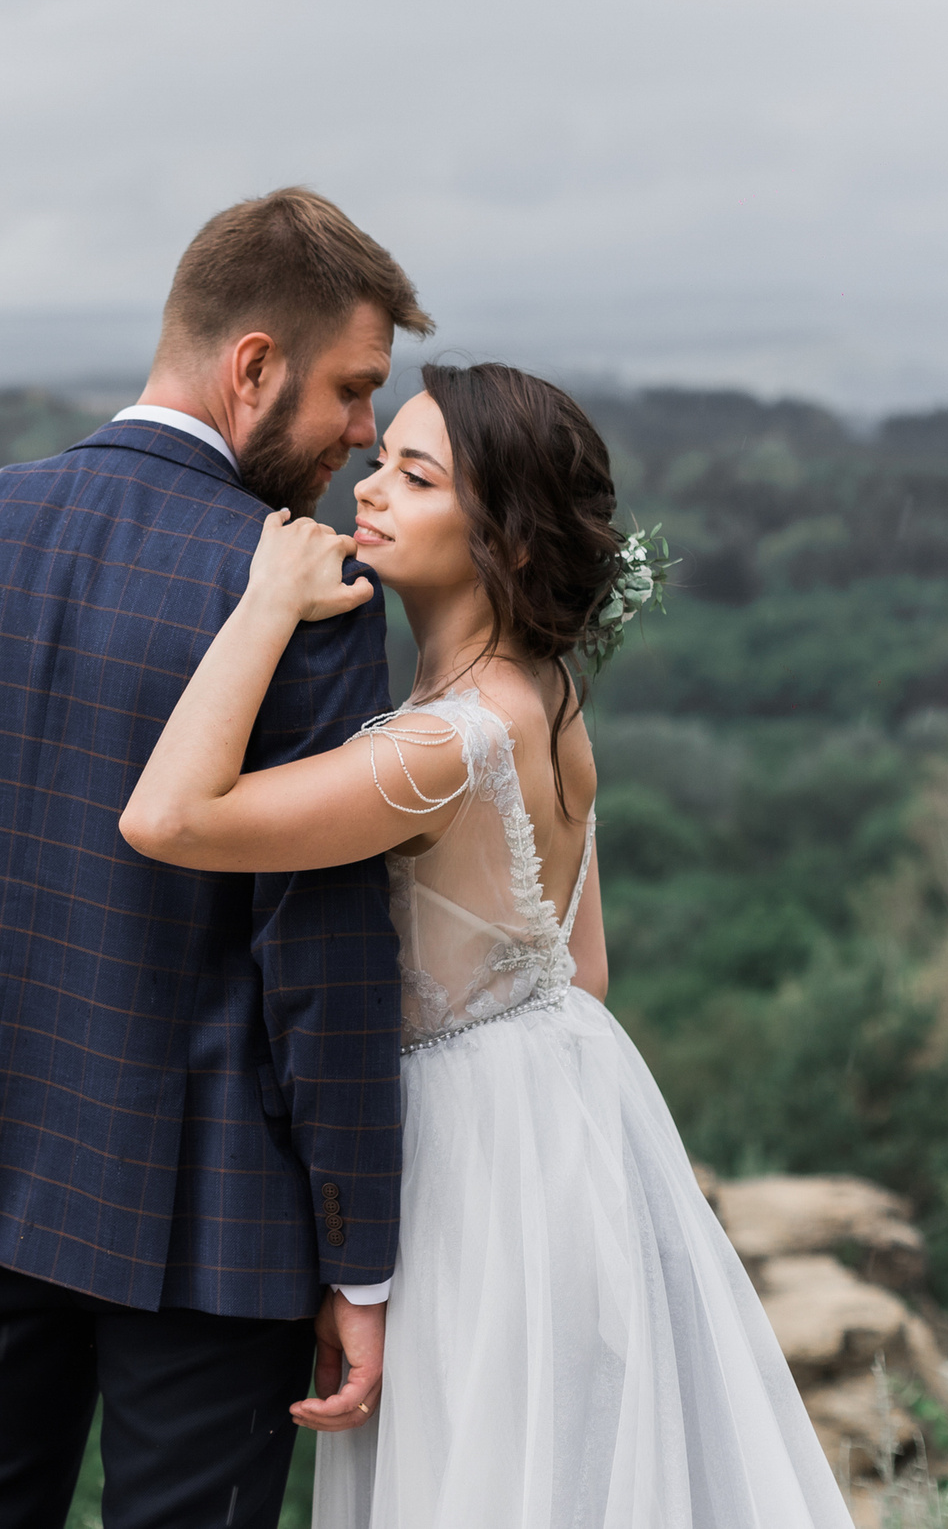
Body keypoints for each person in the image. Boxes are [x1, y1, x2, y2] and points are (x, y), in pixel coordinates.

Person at [120, 364, 852, 1527]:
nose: (370, 490)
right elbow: (584, 969)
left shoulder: (447, 744)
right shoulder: (545, 698)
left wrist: (264, 603)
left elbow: (166, 819)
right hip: (569, 1120)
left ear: (506, 542)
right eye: (380, 462)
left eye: (416, 477)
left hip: (472, 1163)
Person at [0, 188, 432, 1529]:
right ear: (252, 363)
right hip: (212, 1216)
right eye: (353, 389)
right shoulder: (308, 592)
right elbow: (320, 954)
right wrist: (356, 1251)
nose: (362, 434)